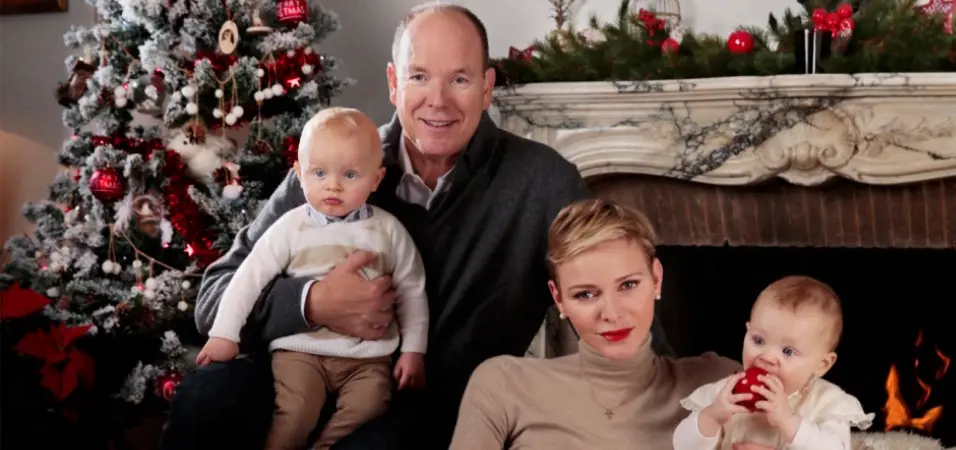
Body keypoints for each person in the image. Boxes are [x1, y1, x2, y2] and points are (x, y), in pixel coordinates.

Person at [159, 4, 674, 449]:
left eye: (460, 78)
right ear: (393, 83)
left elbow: (618, 282)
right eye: (420, 76)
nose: (438, 101)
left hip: (429, 404)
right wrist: (310, 302)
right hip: (291, 374)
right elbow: (214, 298)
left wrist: (685, 397)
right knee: (209, 396)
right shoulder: (335, 164)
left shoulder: (541, 182)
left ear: (488, 87)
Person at [195, 107, 429, 449]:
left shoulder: (387, 230)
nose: (332, 185)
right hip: (300, 352)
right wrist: (225, 335)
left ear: (375, 179)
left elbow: (412, 289)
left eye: (350, 175)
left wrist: (413, 351)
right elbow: (247, 279)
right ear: (299, 174)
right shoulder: (290, 227)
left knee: (370, 405)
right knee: (295, 412)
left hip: (367, 359)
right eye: (319, 173)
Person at [449, 199, 740, 449]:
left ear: (656, 279)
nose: (611, 314)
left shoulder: (720, 383)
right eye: (585, 294)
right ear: (559, 298)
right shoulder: (503, 384)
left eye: (628, 285)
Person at [672, 276, 874, 450]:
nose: (767, 357)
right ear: (747, 331)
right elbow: (681, 445)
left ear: (822, 364)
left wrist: (789, 421)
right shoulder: (726, 394)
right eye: (758, 340)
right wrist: (712, 416)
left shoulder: (825, 403)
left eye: (788, 351)